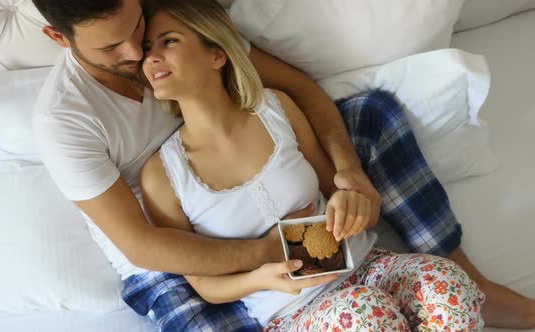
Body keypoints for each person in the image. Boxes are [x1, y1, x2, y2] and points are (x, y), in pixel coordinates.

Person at [30, 0, 535, 330]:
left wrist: (348, 179)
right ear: (59, 38)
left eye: (140, 31)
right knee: (364, 316)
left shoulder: (176, 25)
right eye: (112, 47)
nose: (137, 52)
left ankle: (472, 280)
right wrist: (265, 258)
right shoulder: (67, 122)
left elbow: (300, 92)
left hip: (325, 242)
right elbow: (144, 246)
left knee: (372, 119)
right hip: (173, 251)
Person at [138, 0, 485, 330]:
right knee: (366, 315)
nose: (151, 58)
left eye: (168, 41)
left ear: (217, 54)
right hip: (291, 311)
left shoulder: (276, 109)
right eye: (147, 49)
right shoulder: (162, 175)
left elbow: (334, 189)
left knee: (448, 286)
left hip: (368, 266)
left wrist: (350, 204)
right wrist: (259, 278)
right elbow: (202, 283)